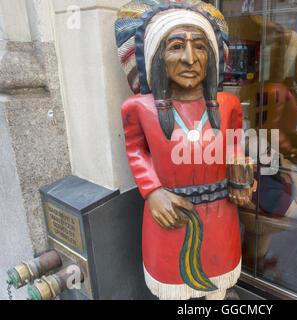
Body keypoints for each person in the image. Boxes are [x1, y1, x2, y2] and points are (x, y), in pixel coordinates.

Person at [115, 0, 254, 300]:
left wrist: (240, 168)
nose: (190, 58)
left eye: (200, 47)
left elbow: (233, 143)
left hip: (221, 214)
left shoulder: (227, 105)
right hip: (169, 215)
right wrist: (152, 191)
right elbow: (136, 151)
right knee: (174, 289)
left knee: (219, 284)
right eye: (176, 46)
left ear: (211, 57)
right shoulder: (138, 108)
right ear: (156, 56)